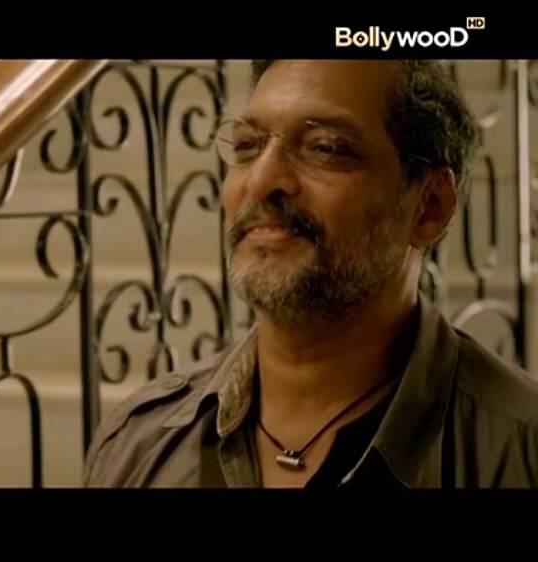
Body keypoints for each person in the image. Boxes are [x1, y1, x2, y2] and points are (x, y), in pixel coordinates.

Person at [83, 60, 538, 488]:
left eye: (325, 148)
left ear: (429, 207)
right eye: (247, 146)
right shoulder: (139, 444)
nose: (261, 181)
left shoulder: (518, 451)